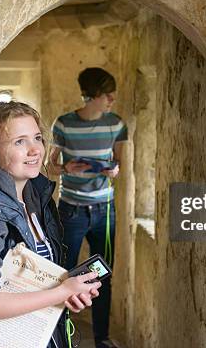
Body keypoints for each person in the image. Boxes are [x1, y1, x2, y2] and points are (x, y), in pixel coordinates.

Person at [0, 100, 102, 348]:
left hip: (39, 334)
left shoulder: (36, 196)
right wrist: (60, 292)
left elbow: (30, 278)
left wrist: (68, 290)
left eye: (37, 138)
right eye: (20, 141)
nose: (35, 150)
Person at [49, 68, 128, 348]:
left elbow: (117, 165)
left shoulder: (117, 125)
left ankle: (102, 339)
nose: (112, 100)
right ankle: (62, 336)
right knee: (64, 274)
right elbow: (50, 166)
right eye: (108, 95)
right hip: (70, 210)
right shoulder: (63, 124)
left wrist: (112, 170)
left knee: (102, 273)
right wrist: (65, 167)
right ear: (92, 95)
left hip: (104, 211)